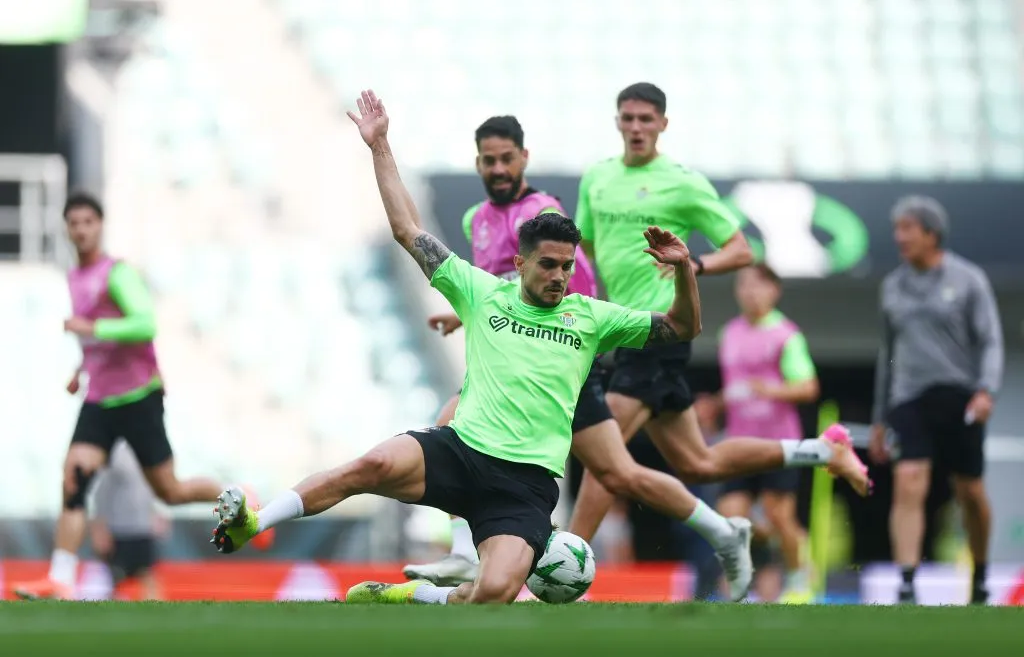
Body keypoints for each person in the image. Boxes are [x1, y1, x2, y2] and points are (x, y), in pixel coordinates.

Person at [210, 89, 757, 605]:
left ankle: (418, 595)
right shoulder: (481, 291)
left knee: (493, 593)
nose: (560, 276)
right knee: (370, 464)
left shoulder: (592, 316)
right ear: (520, 262)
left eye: (567, 266)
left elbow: (682, 327)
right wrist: (380, 147)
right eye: (548, 265)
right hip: (462, 452)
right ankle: (255, 521)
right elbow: (407, 230)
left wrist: (684, 270)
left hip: (524, 485)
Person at [568, 82, 872, 542]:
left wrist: (695, 264)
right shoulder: (597, 178)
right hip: (622, 331)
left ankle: (565, 564)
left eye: (646, 119)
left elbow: (741, 249)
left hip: (658, 328)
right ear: (617, 122)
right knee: (700, 463)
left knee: (604, 459)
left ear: (663, 124)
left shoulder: (683, 181)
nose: (636, 127)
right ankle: (821, 452)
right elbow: (587, 250)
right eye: (628, 118)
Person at [11, 192, 272, 601]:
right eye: (74, 223)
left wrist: (91, 329)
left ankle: (240, 494)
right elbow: (98, 338)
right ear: (66, 229)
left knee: (171, 491)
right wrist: (81, 369)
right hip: (99, 400)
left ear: (100, 226)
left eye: (88, 222)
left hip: (137, 397)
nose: (81, 230)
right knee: (74, 478)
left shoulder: (117, 273)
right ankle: (60, 580)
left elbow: (144, 324)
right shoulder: (75, 276)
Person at [403, 114, 597, 585]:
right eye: (489, 160)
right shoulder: (476, 219)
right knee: (452, 426)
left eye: (507, 158)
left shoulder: (543, 210)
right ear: (478, 163)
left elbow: (569, 285)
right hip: (516, 360)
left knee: (619, 472)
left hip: (558, 357)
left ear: (523, 157)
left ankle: (535, 559)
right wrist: (462, 315)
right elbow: (499, 291)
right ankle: (478, 555)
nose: (498, 168)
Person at [868, 196, 1003, 605]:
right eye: (897, 229)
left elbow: (990, 341)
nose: (900, 237)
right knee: (909, 481)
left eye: (908, 229)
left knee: (970, 493)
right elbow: (888, 354)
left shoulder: (968, 279)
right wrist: (879, 418)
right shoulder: (892, 287)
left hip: (960, 397)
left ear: (932, 234)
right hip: (908, 398)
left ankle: (980, 574)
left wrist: (986, 390)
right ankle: (907, 582)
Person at [696, 264, 820, 603]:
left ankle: (799, 581)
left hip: (778, 444)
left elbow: (808, 387)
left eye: (758, 286)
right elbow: (738, 389)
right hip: (739, 443)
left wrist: (770, 389)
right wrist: (714, 404)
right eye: (744, 285)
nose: (750, 292)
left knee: (779, 515)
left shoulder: (786, 335)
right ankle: (740, 587)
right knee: (730, 515)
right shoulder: (729, 333)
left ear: (774, 291)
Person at [90, 440, 166, 601]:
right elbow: (101, 492)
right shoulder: (114, 453)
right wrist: (100, 526)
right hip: (119, 529)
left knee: (148, 576)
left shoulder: (149, 451)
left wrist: (157, 514)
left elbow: (154, 490)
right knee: (113, 579)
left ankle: (154, 613)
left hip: (143, 528)